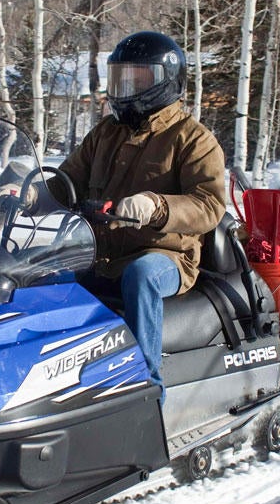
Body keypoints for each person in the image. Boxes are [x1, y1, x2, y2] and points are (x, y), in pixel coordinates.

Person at [48, 31, 226, 394]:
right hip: (101, 252)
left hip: (166, 256)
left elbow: (209, 205)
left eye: (137, 78)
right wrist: (26, 192)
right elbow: (67, 181)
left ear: (163, 81)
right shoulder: (105, 134)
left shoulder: (192, 138)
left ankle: (145, 387)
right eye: (121, 77)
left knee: (141, 275)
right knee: (46, 273)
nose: (126, 87)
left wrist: (157, 206)